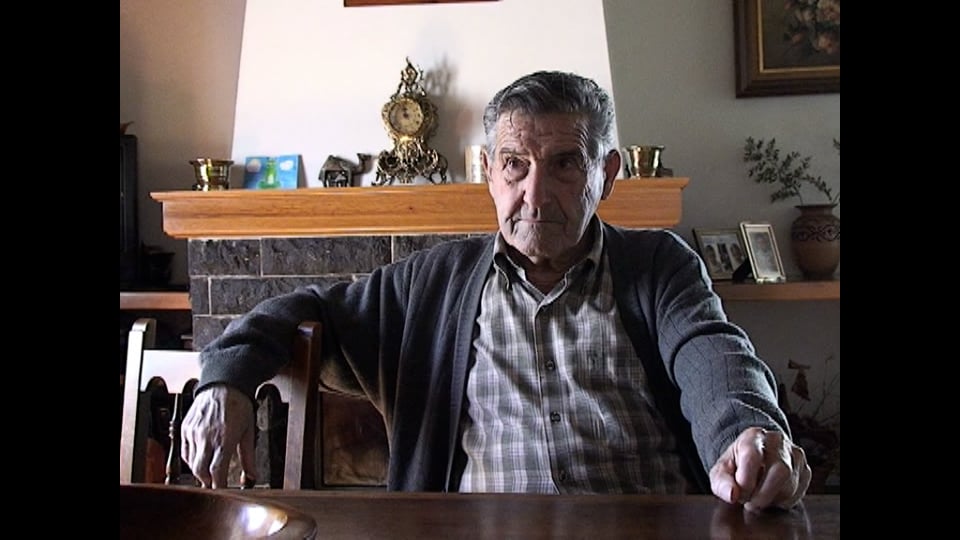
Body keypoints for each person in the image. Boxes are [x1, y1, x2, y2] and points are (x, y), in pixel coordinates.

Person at [181, 70, 810, 511]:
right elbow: (304, 309)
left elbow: (713, 352)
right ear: (488, 172)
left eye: (565, 164)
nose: (536, 194)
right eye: (515, 164)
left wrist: (745, 431)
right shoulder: (432, 283)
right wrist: (225, 381)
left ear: (607, 174)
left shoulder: (657, 265)